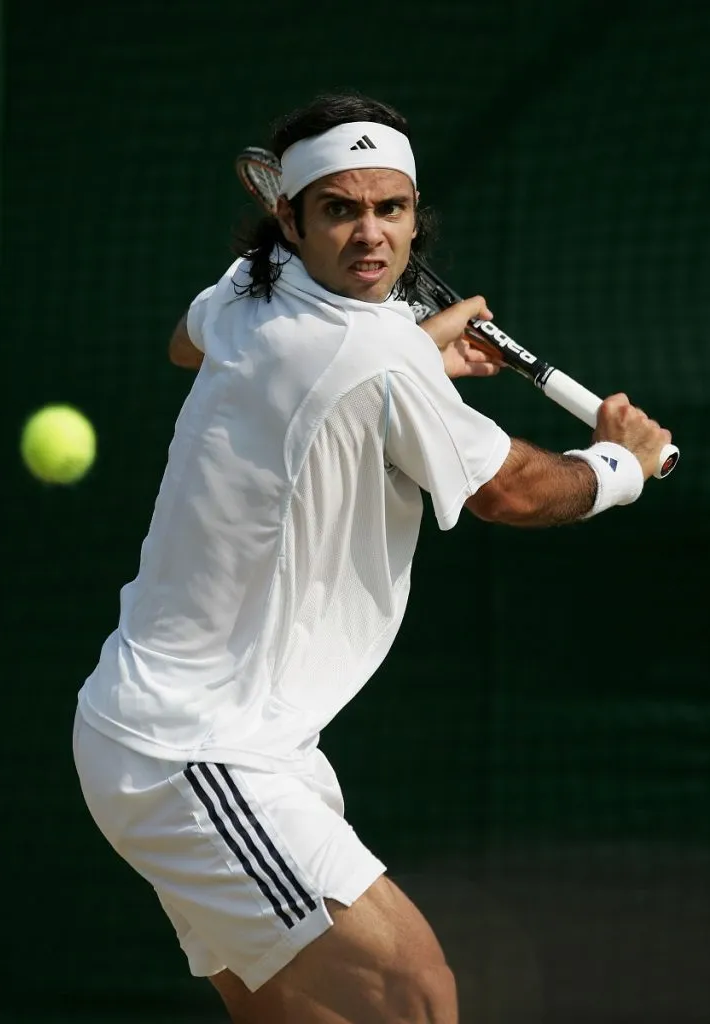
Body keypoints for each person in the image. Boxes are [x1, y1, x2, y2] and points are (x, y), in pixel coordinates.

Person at [73, 92, 672, 1024]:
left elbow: (192, 345)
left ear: (414, 214)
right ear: (291, 218)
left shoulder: (244, 293)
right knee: (417, 994)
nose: (370, 235)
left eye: (391, 209)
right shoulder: (382, 357)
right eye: (340, 210)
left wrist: (416, 359)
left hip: (197, 738)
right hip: (192, 750)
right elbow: (509, 490)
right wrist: (620, 465)